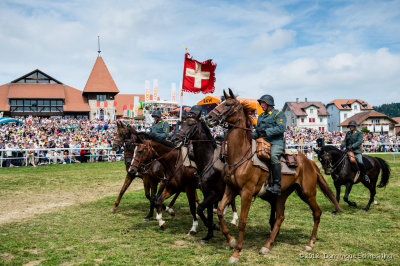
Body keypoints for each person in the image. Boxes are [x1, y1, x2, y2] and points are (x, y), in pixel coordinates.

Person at [253, 94, 286, 195]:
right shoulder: (261, 116)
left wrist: (266, 131)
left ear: (269, 104)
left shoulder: (279, 114)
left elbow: (281, 128)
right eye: (261, 103)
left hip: (276, 142)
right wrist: (250, 135)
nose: (261, 105)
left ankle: (277, 186)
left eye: (263, 103)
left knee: (274, 156)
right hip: (262, 141)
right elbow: (257, 132)